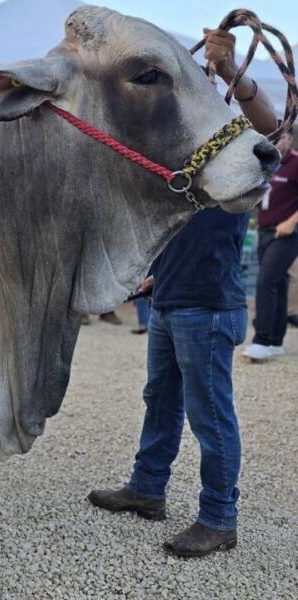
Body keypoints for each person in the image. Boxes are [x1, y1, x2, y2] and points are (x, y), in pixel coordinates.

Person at [88, 28, 279, 557]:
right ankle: (148, 489)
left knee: (210, 415)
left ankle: (219, 518)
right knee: (161, 401)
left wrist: (233, 70)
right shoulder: (185, 166)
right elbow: (175, 232)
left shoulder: (242, 155)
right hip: (173, 301)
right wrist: (154, 277)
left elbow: (270, 124)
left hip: (207, 308)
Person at [243, 127, 298, 360]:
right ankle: (275, 339)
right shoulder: (265, 163)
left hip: (285, 232)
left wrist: (292, 221)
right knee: (278, 282)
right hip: (264, 231)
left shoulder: (295, 163)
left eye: (283, 137)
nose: (279, 141)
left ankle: (262, 339)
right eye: (275, 137)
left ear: (291, 139)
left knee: (265, 281)